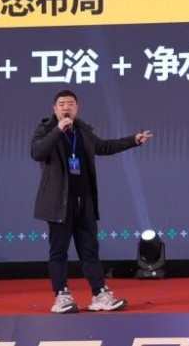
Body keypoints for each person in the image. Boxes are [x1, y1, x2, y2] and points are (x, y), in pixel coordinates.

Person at [30, 89, 152, 314]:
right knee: (59, 252)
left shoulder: (82, 130)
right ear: (54, 109)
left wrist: (132, 141)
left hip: (84, 201)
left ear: (77, 107)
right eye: (62, 104)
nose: (66, 107)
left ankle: (99, 295)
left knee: (90, 251)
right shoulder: (45, 129)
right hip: (59, 203)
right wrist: (58, 129)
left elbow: (104, 147)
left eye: (70, 103)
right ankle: (61, 296)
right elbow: (37, 152)